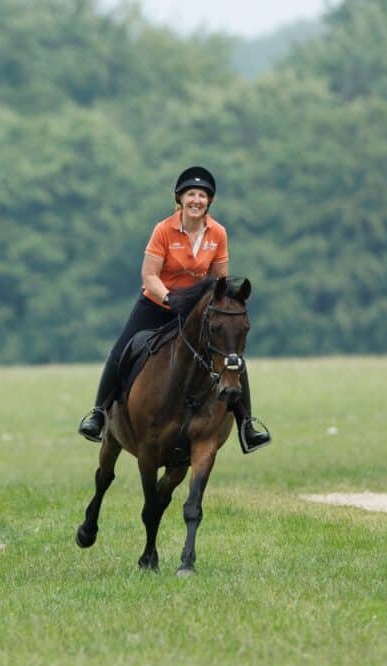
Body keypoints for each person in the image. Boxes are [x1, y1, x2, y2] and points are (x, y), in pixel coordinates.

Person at [77, 166, 270, 452]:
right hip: (157, 304)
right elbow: (149, 276)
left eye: (202, 195)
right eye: (191, 194)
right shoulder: (163, 230)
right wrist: (169, 299)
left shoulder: (218, 233)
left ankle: (246, 424)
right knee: (120, 351)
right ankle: (98, 414)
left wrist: (218, 304)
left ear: (210, 201)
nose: (196, 200)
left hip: (197, 311)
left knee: (232, 358)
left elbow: (220, 281)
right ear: (179, 199)